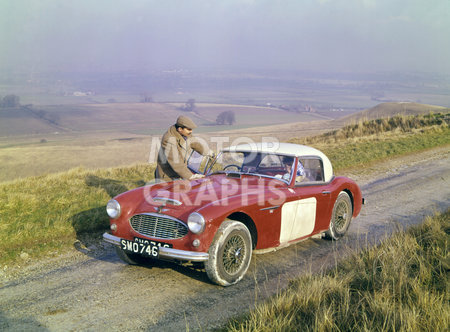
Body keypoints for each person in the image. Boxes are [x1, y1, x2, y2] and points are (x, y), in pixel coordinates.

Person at [155, 116, 213, 181]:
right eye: (189, 129)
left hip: (178, 173)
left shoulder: (185, 134)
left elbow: (194, 143)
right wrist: (190, 176)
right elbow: (176, 163)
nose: (191, 131)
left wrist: (207, 152)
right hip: (167, 176)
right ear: (180, 129)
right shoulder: (168, 140)